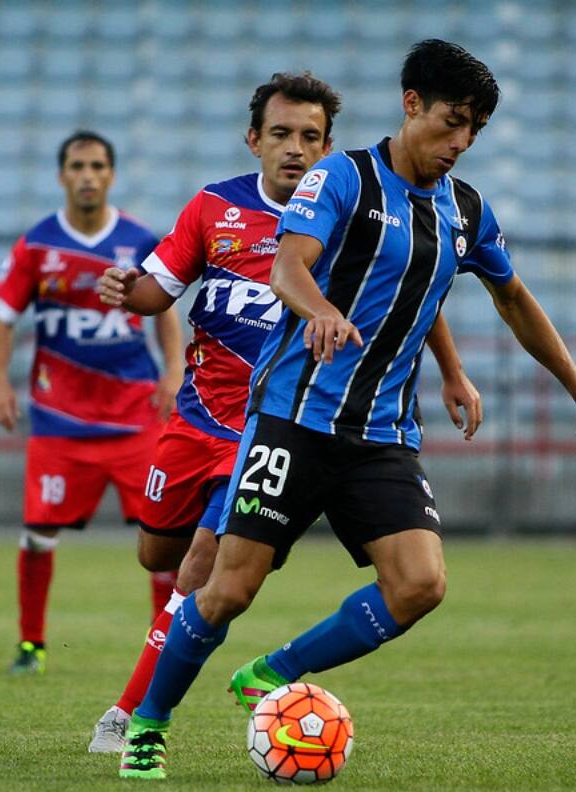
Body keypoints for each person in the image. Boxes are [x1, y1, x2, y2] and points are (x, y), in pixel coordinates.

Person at [116, 40, 576, 780]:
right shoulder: (342, 177)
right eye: (452, 122)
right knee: (227, 589)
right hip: (292, 417)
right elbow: (289, 264)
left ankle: (273, 671)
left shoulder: (465, 209)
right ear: (412, 103)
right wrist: (316, 311)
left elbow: (509, 297)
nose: (461, 142)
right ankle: (146, 727)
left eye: (474, 128)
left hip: (381, 434)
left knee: (420, 585)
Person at [90, 73, 483, 753]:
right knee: (159, 552)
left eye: (310, 137)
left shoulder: (350, 204)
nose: (296, 149)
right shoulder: (215, 209)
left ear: (329, 146)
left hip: (274, 422)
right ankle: (169, 661)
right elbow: (160, 292)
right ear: (254, 140)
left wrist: (451, 370)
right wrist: (129, 291)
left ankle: (132, 717)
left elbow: (421, 287)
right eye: (281, 135)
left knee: (204, 569)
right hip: (197, 421)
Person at [0, 130, 182, 676]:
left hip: (135, 417)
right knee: (37, 533)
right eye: (78, 166)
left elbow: (165, 310)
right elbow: (3, 318)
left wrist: (173, 369)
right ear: (62, 175)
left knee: (162, 539)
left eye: (98, 165)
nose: (88, 175)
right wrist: (0, 381)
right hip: (60, 422)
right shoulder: (37, 245)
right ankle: (31, 645)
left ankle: (161, 649)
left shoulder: (139, 240)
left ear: (111, 175)